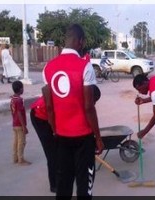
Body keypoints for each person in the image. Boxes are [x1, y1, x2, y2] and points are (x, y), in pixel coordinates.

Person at [42, 23, 104, 200]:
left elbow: (48, 107)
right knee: (85, 186)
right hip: (84, 138)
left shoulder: (48, 68)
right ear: (81, 41)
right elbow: (88, 107)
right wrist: (98, 138)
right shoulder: (85, 66)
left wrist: (55, 130)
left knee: (63, 184)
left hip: (61, 136)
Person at [29, 85, 101, 194]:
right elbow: (49, 105)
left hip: (51, 115)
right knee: (53, 153)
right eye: (93, 100)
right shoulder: (70, 98)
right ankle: (54, 185)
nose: (93, 104)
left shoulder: (79, 98)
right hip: (40, 117)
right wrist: (55, 132)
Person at [10, 80, 31, 166]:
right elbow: (19, 113)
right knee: (21, 142)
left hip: (15, 123)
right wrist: (24, 126)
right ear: (20, 89)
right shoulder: (19, 100)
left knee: (15, 141)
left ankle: (15, 157)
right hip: (19, 124)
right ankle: (20, 159)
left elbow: (13, 112)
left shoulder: (12, 99)